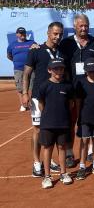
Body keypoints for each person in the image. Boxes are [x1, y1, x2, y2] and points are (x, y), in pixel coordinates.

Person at [23, 22, 65, 178]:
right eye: (55, 33)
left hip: (56, 97)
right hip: (37, 97)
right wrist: (24, 93)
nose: (57, 36)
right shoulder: (36, 51)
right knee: (38, 129)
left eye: (60, 34)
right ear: (48, 33)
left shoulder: (62, 52)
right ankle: (36, 162)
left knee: (52, 130)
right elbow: (26, 73)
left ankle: (50, 159)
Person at [38, 58, 74, 189]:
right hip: (47, 124)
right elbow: (41, 104)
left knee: (62, 147)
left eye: (61, 68)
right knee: (47, 148)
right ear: (49, 70)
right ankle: (47, 176)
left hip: (63, 123)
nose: (59, 71)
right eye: (55, 69)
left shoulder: (68, 86)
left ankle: (63, 173)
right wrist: (48, 116)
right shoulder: (44, 86)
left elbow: (70, 104)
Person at [74, 58, 94, 180]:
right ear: (85, 71)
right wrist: (79, 118)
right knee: (84, 141)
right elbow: (78, 102)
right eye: (90, 71)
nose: (93, 73)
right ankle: (82, 166)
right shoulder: (81, 83)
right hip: (85, 118)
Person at [7, 27, 36, 111]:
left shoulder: (32, 43)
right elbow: (9, 56)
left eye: (23, 33)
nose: (22, 34)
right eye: (20, 33)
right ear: (17, 34)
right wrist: (16, 61)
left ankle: (30, 104)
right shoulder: (12, 45)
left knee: (31, 87)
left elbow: (37, 53)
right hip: (18, 69)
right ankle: (23, 105)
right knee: (20, 88)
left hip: (31, 69)